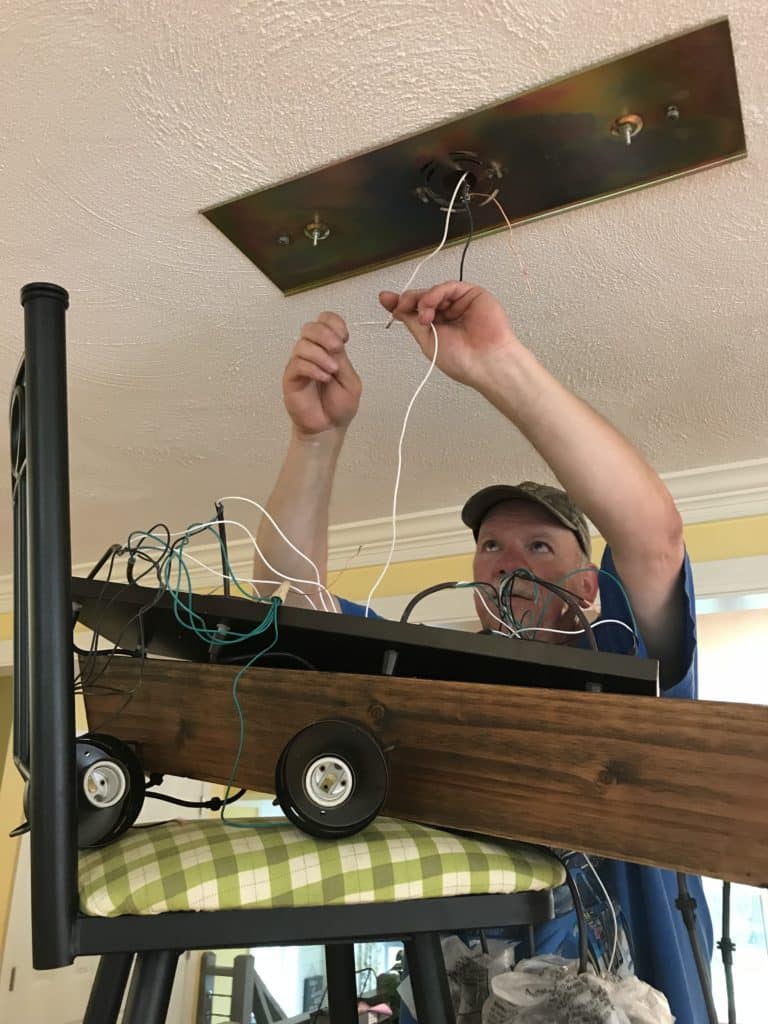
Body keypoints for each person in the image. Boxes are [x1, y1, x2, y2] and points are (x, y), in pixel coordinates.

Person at [254, 280, 713, 1024]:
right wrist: (314, 440)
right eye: (491, 546)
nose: (508, 561)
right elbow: (286, 600)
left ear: (588, 582)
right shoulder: (435, 674)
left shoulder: (624, 668)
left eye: (539, 544)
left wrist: (498, 363)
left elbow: (654, 538)